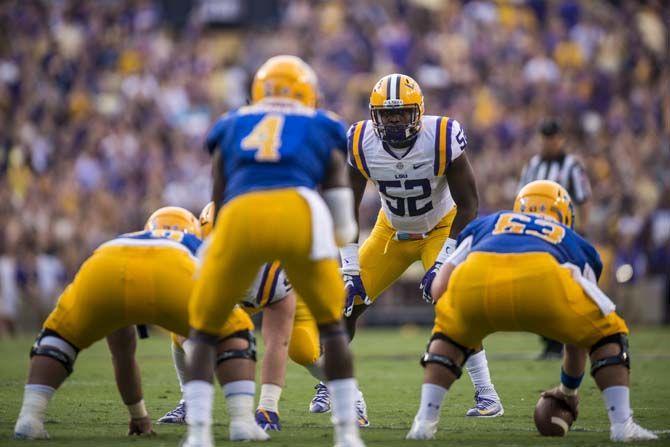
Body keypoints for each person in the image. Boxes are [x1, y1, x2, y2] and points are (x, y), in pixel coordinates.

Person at [182, 55, 363, 447]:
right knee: (332, 329)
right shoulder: (321, 123)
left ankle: (197, 434)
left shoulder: (232, 122)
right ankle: (347, 433)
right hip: (299, 209)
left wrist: (222, 243)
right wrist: (341, 231)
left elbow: (220, 192)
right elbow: (338, 193)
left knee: (202, 331)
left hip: (242, 212)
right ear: (306, 92)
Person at [310, 73, 502, 419]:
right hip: (391, 231)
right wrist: (350, 268)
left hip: (440, 227)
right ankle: (330, 383)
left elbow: (470, 204)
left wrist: (444, 261)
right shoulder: (359, 142)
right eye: (387, 114)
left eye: (401, 113)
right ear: (374, 116)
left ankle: (487, 393)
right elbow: (346, 206)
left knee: (452, 302)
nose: (395, 121)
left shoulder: (441, 137)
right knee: (345, 301)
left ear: (419, 112)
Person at [405, 180, 657, 443]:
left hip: (478, 277)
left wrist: (455, 327)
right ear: (564, 215)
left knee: (447, 338)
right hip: (544, 280)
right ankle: (621, 425)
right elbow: (576, 342)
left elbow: (438, 288)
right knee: (609, 334)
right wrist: (568, 392)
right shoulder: (572, 239)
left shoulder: (490, 223)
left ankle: (424, 422)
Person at [13, 207, 255, 440]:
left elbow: (123, 357)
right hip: (175, 266)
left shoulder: (129, 238)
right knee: (234, 332)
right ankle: (242, 422)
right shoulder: (194, 245)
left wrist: (138, 415)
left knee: (60, 337)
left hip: (107, 261)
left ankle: (30, 417)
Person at [158, 202, 329, 431]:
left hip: (287, 296)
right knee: (182, 326)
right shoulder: (199, 261)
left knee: (303, 350)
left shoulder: (274, 264)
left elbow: (276, 341)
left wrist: (267, 408)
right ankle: (188, 401)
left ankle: (342, 390)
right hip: (243, 297)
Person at [518, 118, 593, 359]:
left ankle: (563, 340)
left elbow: (583, 199)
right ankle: (549, 342)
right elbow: (521, 200)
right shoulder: (532, 165)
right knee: (538, 287)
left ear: (560, 139)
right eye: (544, 138)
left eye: (552, 138)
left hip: (563, 235)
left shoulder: (573, 166)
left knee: (562, 287)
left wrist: (582, 230)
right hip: (535, 235)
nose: (548, 143)